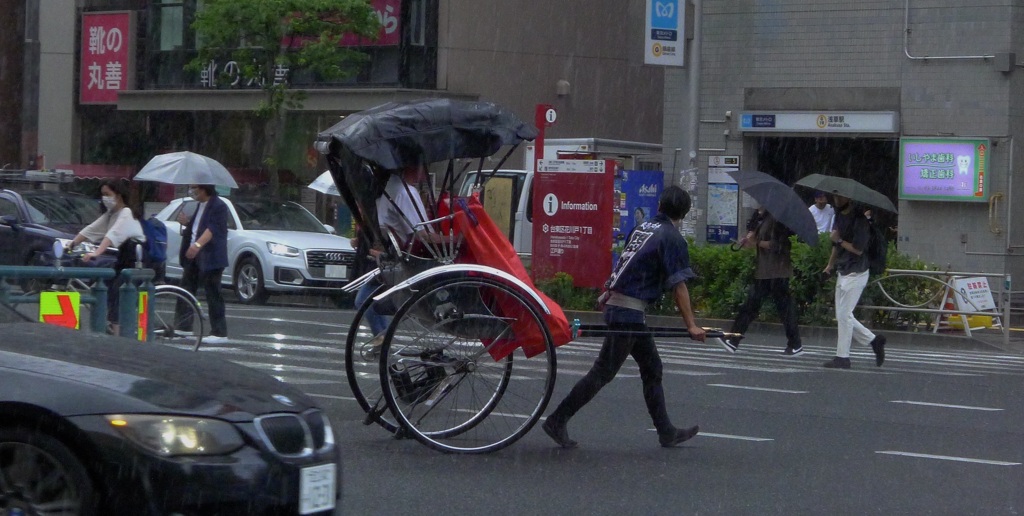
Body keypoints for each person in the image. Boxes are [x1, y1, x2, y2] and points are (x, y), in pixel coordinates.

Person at [541, 186, 709, 449]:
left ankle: (666, 431)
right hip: (628, 311)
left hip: (622, 306)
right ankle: (557, 419)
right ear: (684, 214)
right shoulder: (672, 238)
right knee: (603, 372)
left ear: (659, 207)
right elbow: (679, 287)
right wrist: (692, 325)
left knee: (652, 367)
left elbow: (627, 264)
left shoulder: (642, 228)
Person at [69, 180, 146, 335]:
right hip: (124, 258)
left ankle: (118, 335)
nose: (104, 198)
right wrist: (72, 243)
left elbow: (113, 235)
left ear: (118, 195)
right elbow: (91, 230)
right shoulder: (111, 214)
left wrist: (97, 253)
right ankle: (112, 323)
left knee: (118, 291)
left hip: (136, 259)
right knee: (106, 282)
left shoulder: (126, 213)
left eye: (107, 194)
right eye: (102, 195)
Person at [821, 193, 886, 369]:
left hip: (857, 271)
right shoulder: (840, 217)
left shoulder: (860, 221)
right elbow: (836, 245)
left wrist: (839, 240)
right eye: (834, 197)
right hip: (843, 270)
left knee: (844, 315)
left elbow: (858, 249)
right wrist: (829, 266)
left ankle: (843, 357)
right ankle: (874, 341)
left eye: (839, 197)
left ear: (849, 198)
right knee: (842, 315)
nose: (836, 200)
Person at [727, 207, 803, 355]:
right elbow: (756, 240)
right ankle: (733, 339)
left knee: (781, 309)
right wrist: (749, 240)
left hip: (777, 272)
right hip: (765, 271)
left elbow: (777, 245)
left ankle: (795, 343)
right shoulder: (763, 217)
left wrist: (757, 242)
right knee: (753, 306)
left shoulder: (780, 218)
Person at [175, 184, 229, 343]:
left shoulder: (219, 206)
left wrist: (197, 245)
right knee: (186, 289)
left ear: (204, 188)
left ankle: (219, 333)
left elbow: (212, 229)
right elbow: (198, 228)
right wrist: (187, 223)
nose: (192, 191)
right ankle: (183, 326)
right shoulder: (200, 205)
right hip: (194, 256)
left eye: (194, 187)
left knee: (213, 293)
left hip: (210, 256)